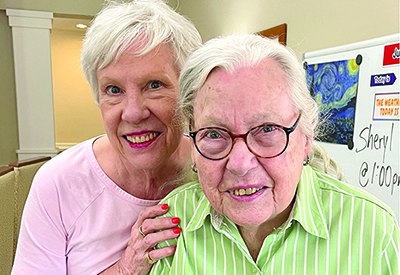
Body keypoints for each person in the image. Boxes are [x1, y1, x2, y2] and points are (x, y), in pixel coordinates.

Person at [149, 34, 400, 274]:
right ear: (193, 143)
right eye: (214, 134)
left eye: (267, 129)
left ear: (306, 138)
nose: (239, 164)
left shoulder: (373, 229)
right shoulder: (171, 219)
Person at [11, 1, 201, 274]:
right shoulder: (58, 183)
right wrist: (127, 267)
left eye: (154, 85)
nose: (133, 113)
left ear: (187, 91)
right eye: (113, 89)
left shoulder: (215, 169)